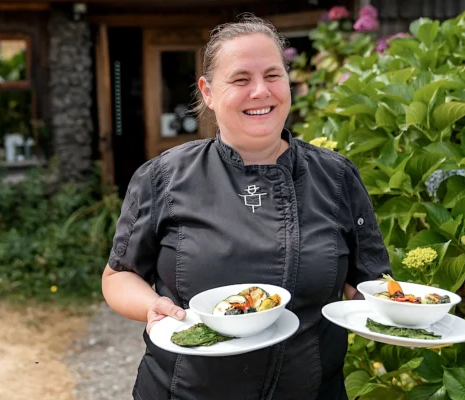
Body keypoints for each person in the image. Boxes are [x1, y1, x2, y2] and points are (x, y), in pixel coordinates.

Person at [102, 15, 390, 400]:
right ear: (207, 91)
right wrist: (154, 306)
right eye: (240, 80)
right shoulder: (164, 177)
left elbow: (370, 284)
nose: (260, 92)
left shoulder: (336, 177)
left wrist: (396, 311)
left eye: (273, 75)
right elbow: (118, 276)